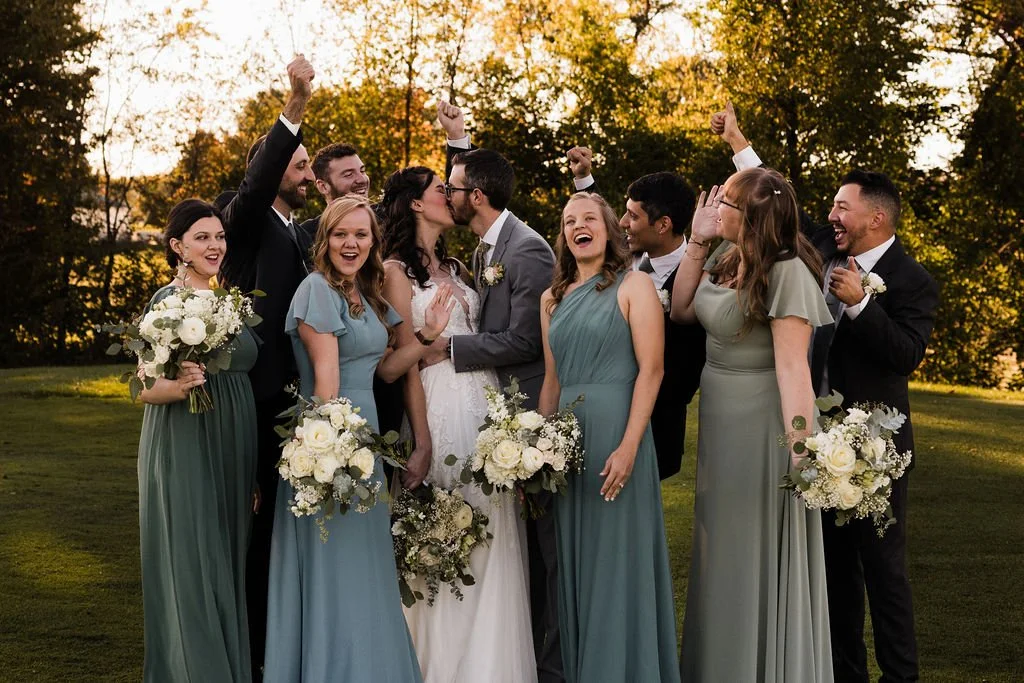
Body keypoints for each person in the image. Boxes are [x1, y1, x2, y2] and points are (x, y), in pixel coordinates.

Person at [714, 105, 940, 683]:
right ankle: (844, 674)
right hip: (819, 435)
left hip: (876, 444)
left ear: (877, 218)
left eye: (843, 206)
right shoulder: (820, 246)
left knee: (883, 567)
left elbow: (906, 355)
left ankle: (901, 677)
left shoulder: (913, 281)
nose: (831, 215)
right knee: (835, 569)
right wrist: (739, 142)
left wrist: (863, 303)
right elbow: (772, 200)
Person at [263, 195, 454, 682]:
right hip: (329, 449)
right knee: (336, 569)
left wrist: (428, 335)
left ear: (373, 242)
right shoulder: (315, 291)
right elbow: (327, 386)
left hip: (362, 441)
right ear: (325, 240)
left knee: (365, 569)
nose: (352, 243)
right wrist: (336, 458)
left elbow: (386, 369)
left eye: (361, 235)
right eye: (341, 234)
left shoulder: (366, 293)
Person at [668, 167, 834, 681]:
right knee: (719, 546)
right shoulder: (726, 256)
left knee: (748, 546)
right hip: (720, 419)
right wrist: (699, 239)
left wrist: (802, 451)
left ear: (753, 217)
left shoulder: (789, 272)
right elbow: (681, 311)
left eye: (729, 204)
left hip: (761, 424)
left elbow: (793, 369)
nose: (718, 207)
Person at [377, 166, 537, 682]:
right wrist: (421, 441)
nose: (452, 197)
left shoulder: (461, 264)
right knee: (445, 536)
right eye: (441, 191)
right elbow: (401, 366)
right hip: (439, 410)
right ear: (417, 205)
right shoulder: (395, 271)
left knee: (494, 537)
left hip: (485, 409)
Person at [429, 112, 563, 683]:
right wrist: (458, 139)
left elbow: (527, 339)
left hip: (528, 412)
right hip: (490, 408)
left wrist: (451, 352)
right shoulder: (488, 246)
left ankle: (549, 663)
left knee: (539, 549)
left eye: (453, 188)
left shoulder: (526, 250)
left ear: (475, 196)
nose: (447, 195)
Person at [538, 192, 679, 683]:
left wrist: (629, 445)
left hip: (619, 436)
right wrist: (536, 453)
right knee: (575, 568)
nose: (578, 226)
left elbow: (653, 370)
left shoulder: (634, 285)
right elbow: (552, 382)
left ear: (608, 229)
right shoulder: (551, 298)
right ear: (564, 235)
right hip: (568, 445)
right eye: (568, 220)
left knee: (616, 564)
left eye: (588, 219)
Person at [216, 55, 316, 679]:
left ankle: (283, 646)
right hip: (257, 405)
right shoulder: (248, 225)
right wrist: (296, 105)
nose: (306, 174)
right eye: (298, 164)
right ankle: (255, 661)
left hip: (297, 402)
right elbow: (253, 187)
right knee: (259, 539)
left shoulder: (299, 236)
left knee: (286, 534)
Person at [137, 199, 258, 681]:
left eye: (220, 237)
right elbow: (145, 386)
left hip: (233, 442)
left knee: (226, 561)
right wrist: (181, 385)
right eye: (203, 238)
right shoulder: (166, 303)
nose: (215, 246)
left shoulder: (231, 300)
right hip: (185, 439)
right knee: (192, 559)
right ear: (178, 247)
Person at [566, 148, 706, 479]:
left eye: (633, 216)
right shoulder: (621, 257)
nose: (623, 223)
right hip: (598, 413)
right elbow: (596, 224)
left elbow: (684, 375)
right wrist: (584, 177)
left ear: (663, 225)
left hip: (656, 425)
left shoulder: (699, 278)